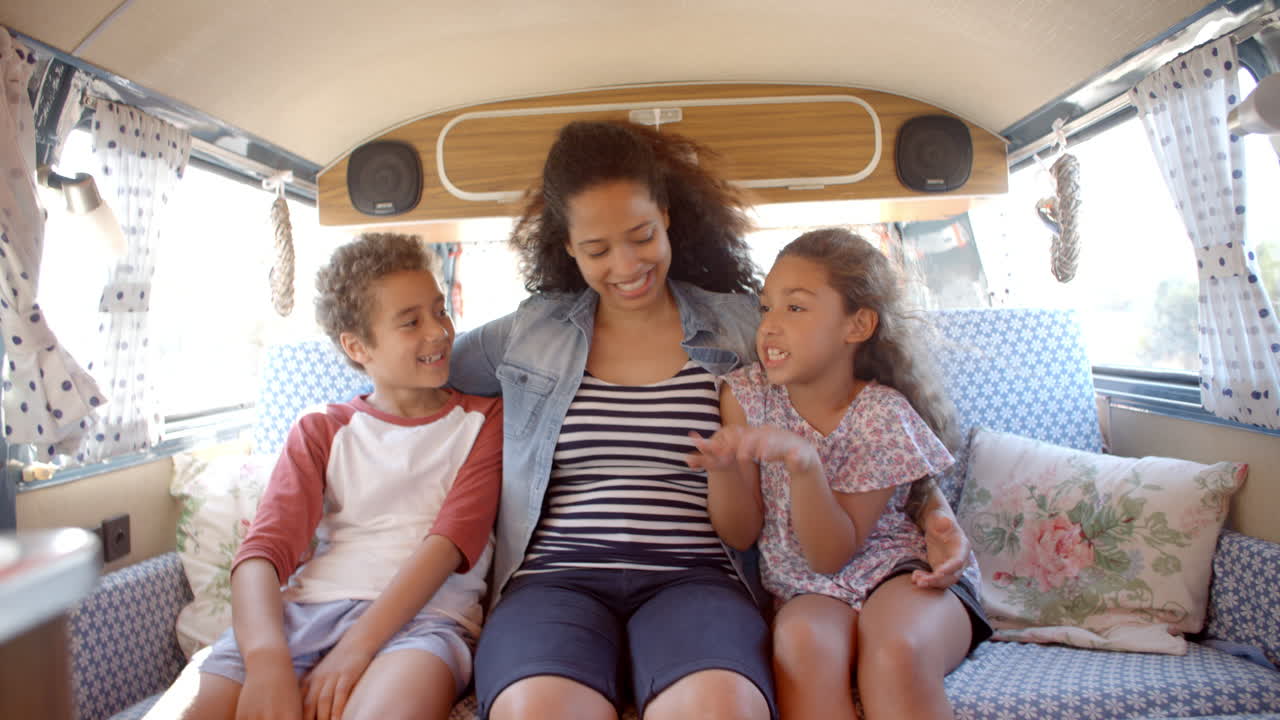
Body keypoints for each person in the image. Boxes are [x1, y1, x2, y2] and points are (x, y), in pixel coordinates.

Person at [447, 120, 972, 720]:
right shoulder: (529, 331)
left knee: (720, 707)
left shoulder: (744, 324)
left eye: (641, 236)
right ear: (567, 246)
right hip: (554, 582)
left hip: (697, 579)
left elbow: (854, 401)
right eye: (597, 250)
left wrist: (931, 508)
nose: (626, 265)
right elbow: (422, 376)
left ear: (667, 216)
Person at [152, 233, 502, 720]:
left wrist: (353, 650)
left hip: (425, 623)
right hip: (303, 615)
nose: (440, 332)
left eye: (439, 311)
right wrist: (267, 660)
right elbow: (263, 552)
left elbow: (448, 544)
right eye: (411, 321)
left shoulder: (485, 420)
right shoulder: (321, 428)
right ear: (357, 346)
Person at [687, 227, 993, 720]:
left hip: (899, 574)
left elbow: (832, 553)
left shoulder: (881, 413)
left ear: (858, 325)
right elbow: (740, 533)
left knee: (895, 652)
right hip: (806, 590)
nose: (770, 326)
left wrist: (804, 464)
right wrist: (724, 472)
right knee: (801, 643)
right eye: (766, 308)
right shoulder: (747, 395)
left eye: (796, 307)